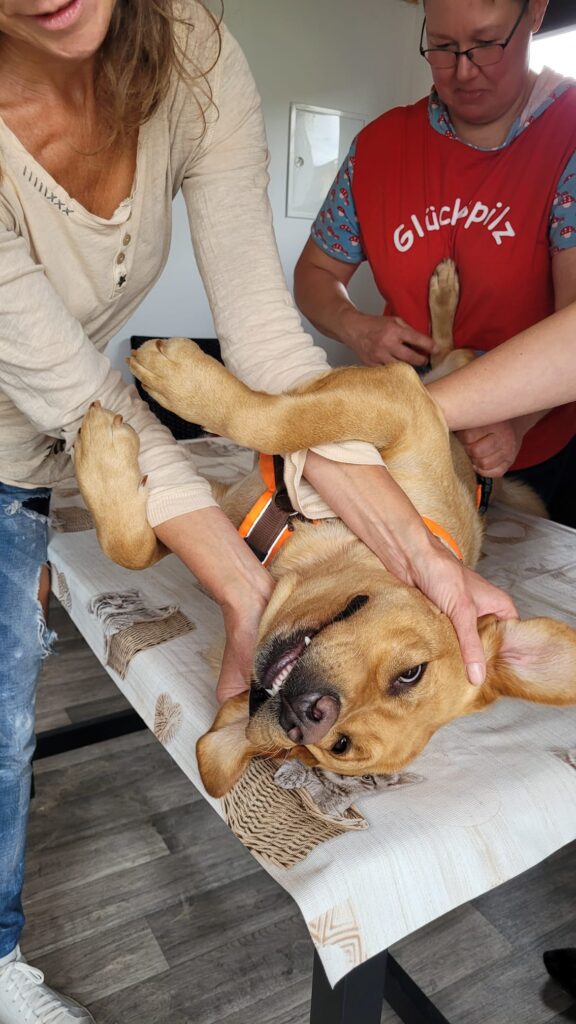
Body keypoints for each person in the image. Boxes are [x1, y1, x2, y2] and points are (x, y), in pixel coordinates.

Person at [0, 1, 519, 1020]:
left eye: (333, 738)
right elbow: (84, 398)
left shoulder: (191, 52)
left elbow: (272, 350)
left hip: (75, 420)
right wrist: (246, 475)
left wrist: (405, 552)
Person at [294, 0, 576, 527]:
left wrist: (516, 421)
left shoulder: (569, 133)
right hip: (409, 454)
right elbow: (314, 275)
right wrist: (356, 327)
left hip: (538, 454)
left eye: (486, 43)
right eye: (443, 48)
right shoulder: (378, 148)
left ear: (535, 13)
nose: (464, 70)